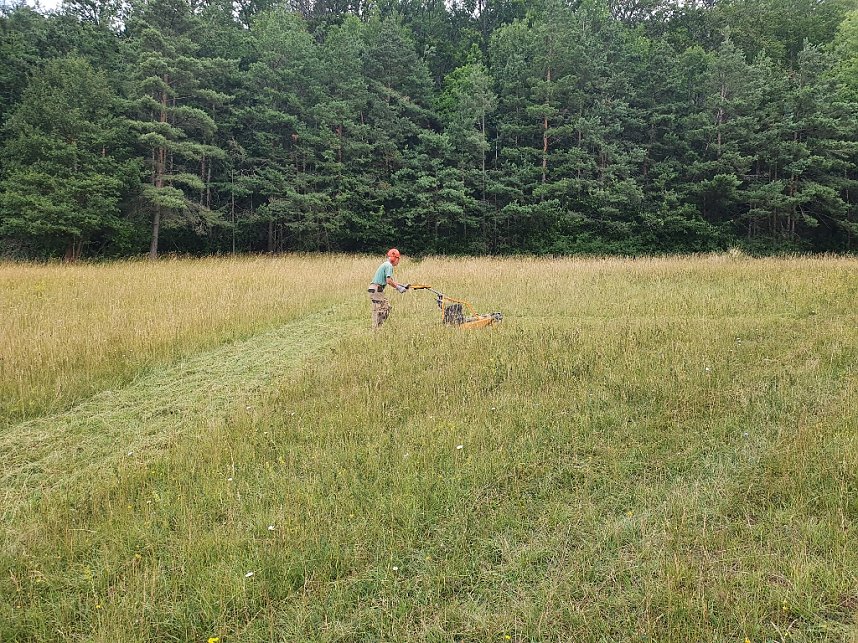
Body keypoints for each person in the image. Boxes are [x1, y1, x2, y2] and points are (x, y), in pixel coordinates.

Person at [368, 248, 409, 329]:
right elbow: (389, 281)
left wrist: (402, 286)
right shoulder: (389, 266)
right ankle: (376, 328)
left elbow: (391, 281)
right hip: (377, 289)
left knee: (383, 308)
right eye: (398, 259)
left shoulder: (386, 264)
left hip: (375, 289)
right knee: (382, 309)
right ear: (394, 258)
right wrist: (398, 288)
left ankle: (377, 327)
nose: (398, 261)